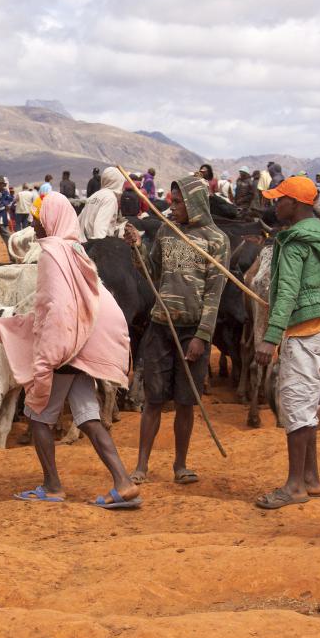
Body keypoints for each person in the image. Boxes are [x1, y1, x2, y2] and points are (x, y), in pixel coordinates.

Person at [0, 192, 140, 508]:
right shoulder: (77, 250)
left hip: (64, 349)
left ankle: (52, 486)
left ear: (51, 219)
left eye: (38, 218)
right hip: (82, 344)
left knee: (37, 415)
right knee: (89, 417)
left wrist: (48, 357)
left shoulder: (53, 254)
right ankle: (123, 482)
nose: (33, 224)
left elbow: (58, 306)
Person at [123, 176, 228, 485]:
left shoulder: (217, 240)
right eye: (172, 200)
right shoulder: (167, 231)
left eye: (179, 202)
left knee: (185, 401)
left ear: (196, 202)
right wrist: (137, 248)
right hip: (161, 326)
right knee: (153, 400)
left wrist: (201, 337)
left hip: (192, 332)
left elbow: (215, 294)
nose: (173, 206)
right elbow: (152, 274)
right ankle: (141, 466)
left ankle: (180, 465)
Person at [251, 177, 320, 509]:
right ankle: (311, 478)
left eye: (280, 201)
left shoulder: (293, 242)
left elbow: (288, 291)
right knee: (309, 406)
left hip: (303, 333)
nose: (276, 206)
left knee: (295, 407)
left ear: (297, 204)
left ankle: (294, 486)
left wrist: (270, 337)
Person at [78, 167, 124, 241]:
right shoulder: (110, 198)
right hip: (96, 246)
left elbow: (79, 221)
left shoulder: (94, 196)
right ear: (118, 182)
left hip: (84, 243)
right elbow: (100, 227)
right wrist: (100, 248)